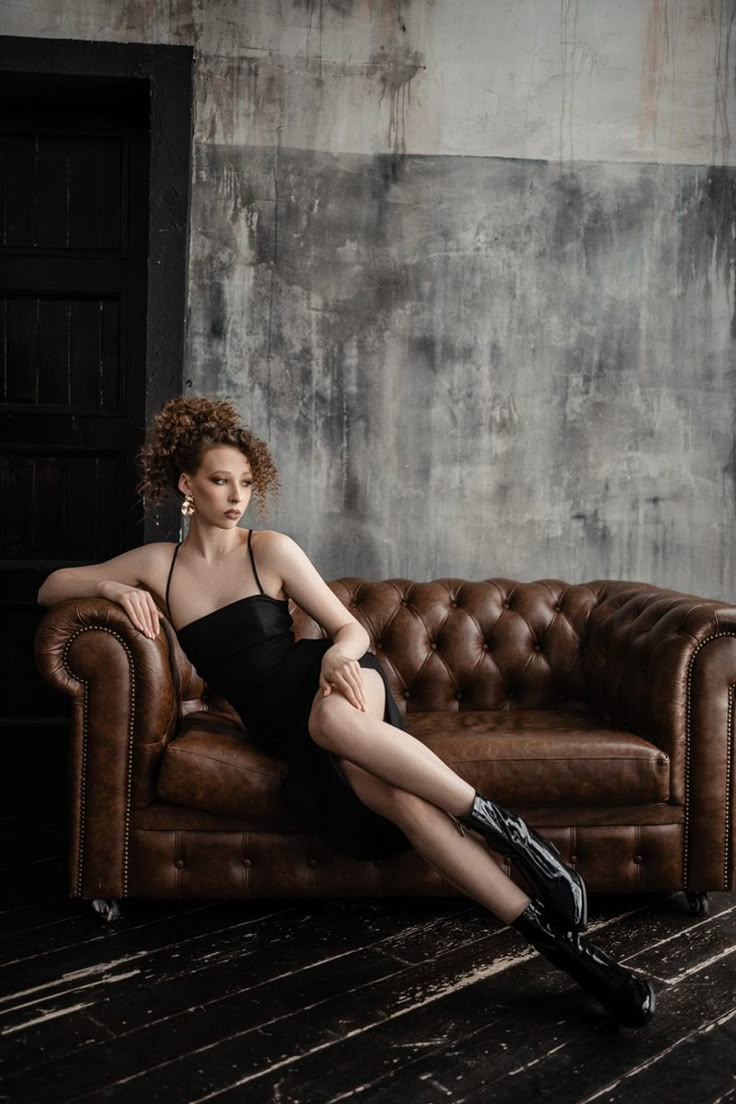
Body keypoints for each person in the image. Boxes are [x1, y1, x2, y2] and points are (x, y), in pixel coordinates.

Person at [37, 395, 655, 1029]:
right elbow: (51, 585)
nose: (235, 496)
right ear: (186, 485)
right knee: (411, 810)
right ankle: (580, 959)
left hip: (338, 683)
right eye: (221, 480)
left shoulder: (269, 549)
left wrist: (338, 655)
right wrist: (113, 587)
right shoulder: (157, 568)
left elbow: (349, 628)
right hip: (284, 728)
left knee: (331, 720)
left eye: (246, 482)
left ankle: (516, 837)